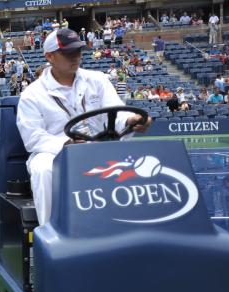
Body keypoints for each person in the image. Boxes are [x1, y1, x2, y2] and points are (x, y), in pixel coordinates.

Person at [16, 29, 151, 225]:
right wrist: (66, 142)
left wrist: (131, 120)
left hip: (99, 144)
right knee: (42, 168)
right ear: (49, 57)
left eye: (78, 51)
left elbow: (117, 111)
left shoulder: (97, 80)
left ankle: (134, 225)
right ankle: (50, 231)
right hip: (55, 152)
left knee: (143, 160)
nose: (76, 57)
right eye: (68, 53)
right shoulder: (32, 94)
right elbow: (33, 138)